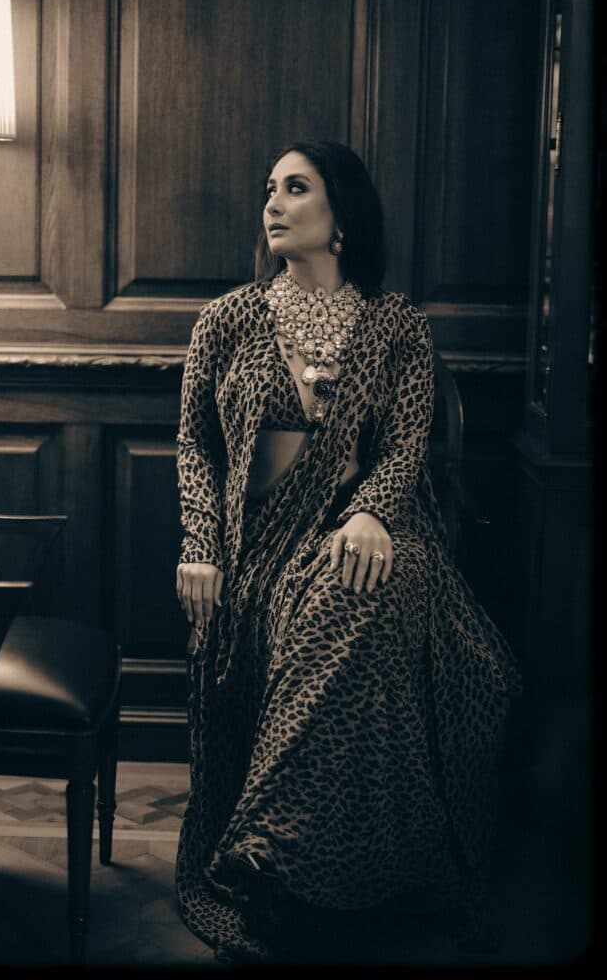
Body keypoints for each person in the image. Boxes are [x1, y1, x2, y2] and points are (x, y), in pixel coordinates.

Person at [173, 140, 521, 963]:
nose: (273, 203)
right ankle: (305, 867)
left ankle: (273, 855)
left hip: (380, 530)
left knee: (358, 593)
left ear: (342, 216)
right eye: (269, 188)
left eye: (295, 188)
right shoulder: (226, 320)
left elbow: (404, 444)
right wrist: (200, 543)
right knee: (335, 612)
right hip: (259, 545)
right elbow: (194, 446)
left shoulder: (396, 325)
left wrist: (369, 513)